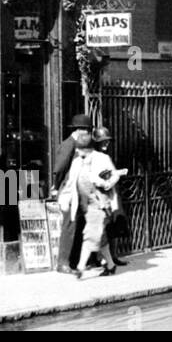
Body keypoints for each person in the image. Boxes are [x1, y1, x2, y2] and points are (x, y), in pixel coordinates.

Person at [73, 126, 122, 279]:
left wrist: (106, 183)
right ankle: (111, 265)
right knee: (100, 237)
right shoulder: (83, 159)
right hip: (89, 202)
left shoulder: (102, 158)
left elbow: (114, 175)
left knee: (91, 234)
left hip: (100, 202)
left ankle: (80, 267)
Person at [51, 114, 93, 274]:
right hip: (69, 192)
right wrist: (56, 186)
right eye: (86, 130)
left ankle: (75, 261)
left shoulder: (79, 144)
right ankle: (62, 263)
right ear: (79, 130)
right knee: (69, 226)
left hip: (79, 192)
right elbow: (60, 168)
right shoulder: (69, 144)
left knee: (78, 225)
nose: (88, 133)